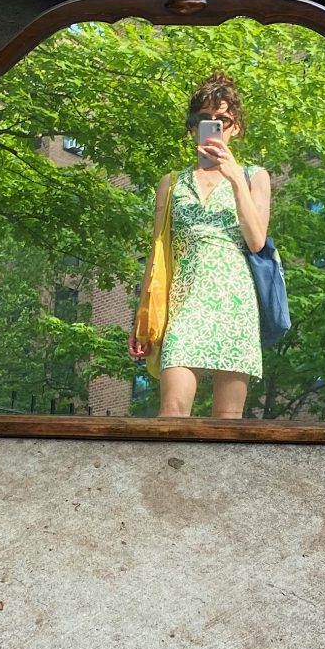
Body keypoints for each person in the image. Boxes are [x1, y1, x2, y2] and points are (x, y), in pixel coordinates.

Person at [131, 73, 272, 421]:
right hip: (184, 305)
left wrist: (235, 177)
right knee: (172, 413)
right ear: (192, 127)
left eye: (221, 120)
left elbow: (256, 241)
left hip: (235, 305)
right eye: (204, 119)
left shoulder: (255, 176)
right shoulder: (171, 183)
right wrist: (142, 316)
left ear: (235, 127)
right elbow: (158, 251)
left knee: (228, 420)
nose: (213, 126)